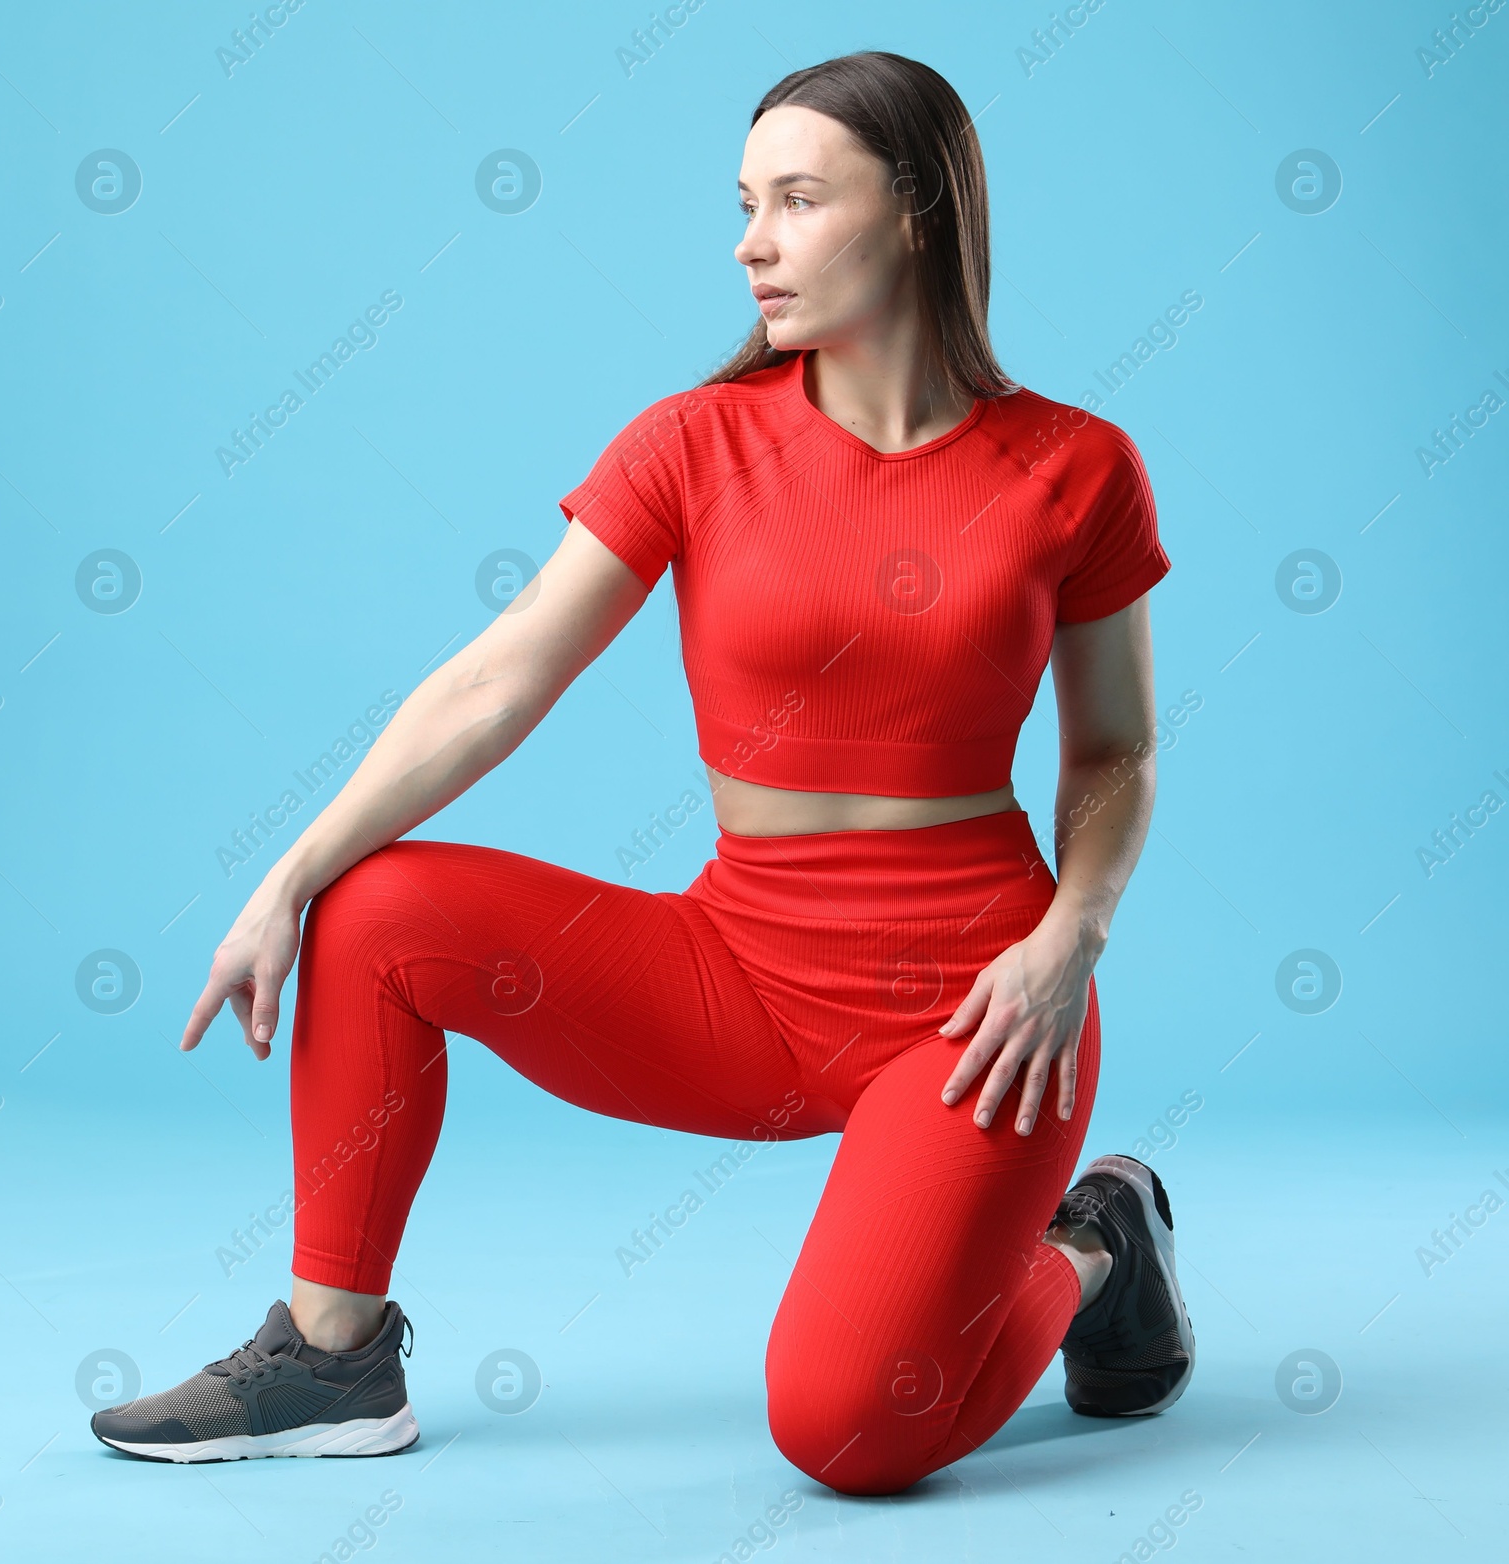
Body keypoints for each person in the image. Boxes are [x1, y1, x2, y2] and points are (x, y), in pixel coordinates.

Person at [90, 50, 1194, 1494]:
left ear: (918, 209)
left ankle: (1097, 1244)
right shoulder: (695, 443)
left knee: (849, 1435)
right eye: (745, 203)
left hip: (982, 1010)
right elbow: (502, 677)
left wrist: (1072, 940)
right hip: (738, 974)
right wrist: (288, 876)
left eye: (799, 201)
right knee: (372, 911)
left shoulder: (1073, 465)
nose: (752, 242)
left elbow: (1115, 748)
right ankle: (331, 1352)